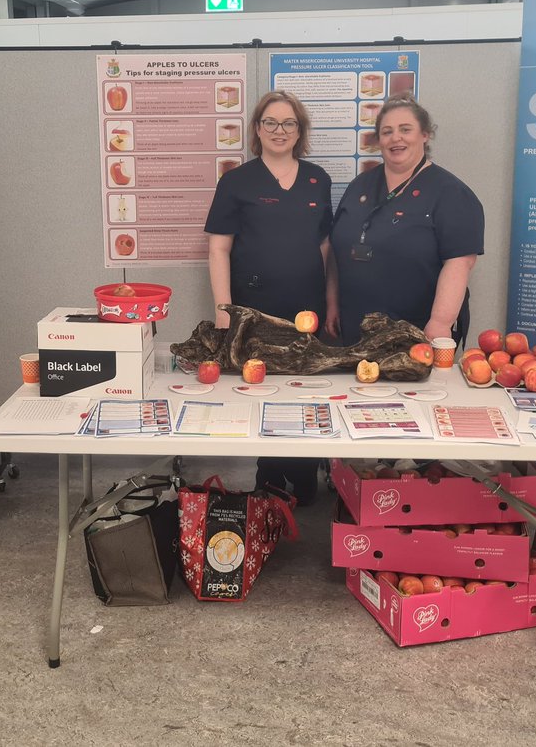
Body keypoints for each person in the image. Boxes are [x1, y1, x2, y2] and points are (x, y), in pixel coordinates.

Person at [204, 90, 336, 503]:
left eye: (289, 123)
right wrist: (224, 313)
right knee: (262, 390)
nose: (280, 131)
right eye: (270, 123)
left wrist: (332, 303)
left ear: (301, 131)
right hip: (254, 309)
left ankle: (304, 468)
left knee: (302, 389)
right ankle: (271, 473)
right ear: (257, 129)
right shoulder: (236, 181)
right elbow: (218, 249)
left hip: (307, 309)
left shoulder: (318, 179)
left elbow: (326, 248)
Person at [330, 93, 484, 347]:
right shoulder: (360, 186)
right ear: (378, 140)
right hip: (354, 330)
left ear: (425, 134)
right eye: (387, 131)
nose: (396, 138)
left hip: (417, 333)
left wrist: (440, 322)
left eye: (405, 129)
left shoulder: (451, 193)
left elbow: (460, 263)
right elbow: (338, 249)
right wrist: (333, 304)